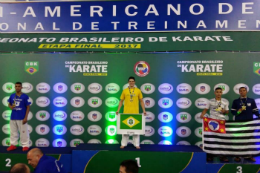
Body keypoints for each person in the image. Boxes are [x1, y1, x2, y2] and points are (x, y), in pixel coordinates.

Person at [116, 76, 146, 149]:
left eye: (132, 81)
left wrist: (144, 110)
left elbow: (141, 101)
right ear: (128, 82)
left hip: (135, 112)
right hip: (126, 112)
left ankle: (136, 144)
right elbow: (121, 101)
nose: (131, 82)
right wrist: (118, 110)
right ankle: (123, 144)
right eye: (130, 81)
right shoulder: (125, 91)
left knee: (136, 130)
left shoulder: (138, 91)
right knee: (124, 130)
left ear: (134, 82)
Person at [200, 87, 229, 162]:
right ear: (214, 93)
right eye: (217, 92)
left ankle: (222, 156)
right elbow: (205, 110)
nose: (218, 93)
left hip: (221, 121)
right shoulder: (210, 101)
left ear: (222, 93)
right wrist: (202, 115)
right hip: (212, 121)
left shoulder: (225, 102)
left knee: (222, 139)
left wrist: (224, 111)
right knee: (211, 139)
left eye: (220, 92)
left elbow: (227, 112)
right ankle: (210, 155)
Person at [231, 86, 259, 162]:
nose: (242, 92)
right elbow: (233, 112)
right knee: (238, 140)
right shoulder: (236, 101)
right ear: (239, 92)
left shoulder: (251, 100)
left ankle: (249, 156)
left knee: (249, 140)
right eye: (241, 91)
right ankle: (237, 156)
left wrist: (259, 115)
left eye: (244, 90)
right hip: (239, 123)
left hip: (249, 123)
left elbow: (255, 111)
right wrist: (238, 111)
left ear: (246, 91)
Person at [7, 82, 31, 151]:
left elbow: (28, 107)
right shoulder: (12, 96)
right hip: (13, 116)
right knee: (13, 132)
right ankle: (13, 145)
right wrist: (10, 107)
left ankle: (25, 145)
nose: (17, 87)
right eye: (16, 86)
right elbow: (9, 103)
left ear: (21, 87)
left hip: (22, 117)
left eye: (19, 86)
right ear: (15, 87)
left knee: (24, 132)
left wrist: (26, 117)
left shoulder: (25, 96)